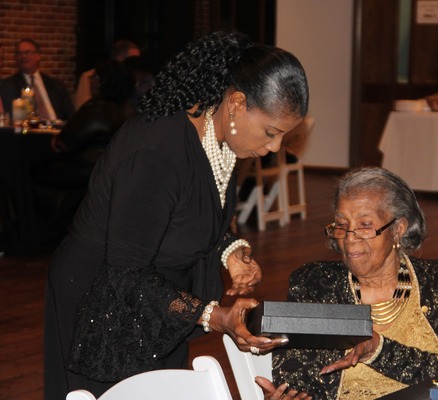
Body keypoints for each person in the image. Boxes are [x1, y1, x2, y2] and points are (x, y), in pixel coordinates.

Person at [43, 31, 309, 400]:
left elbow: (194, 214)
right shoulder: (157, 152)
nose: (274, 147)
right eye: (270, 132)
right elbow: (126, 270)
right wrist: (215, 317)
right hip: (101, 304)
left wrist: (231, 250)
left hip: (159, 300)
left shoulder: (217, 136)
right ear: (236, 103)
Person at [256, 167, 438, 399]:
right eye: (341, 225)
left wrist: (379, 350)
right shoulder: (313, 285)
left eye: (365, 225)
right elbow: (293, 376)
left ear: (398, 229)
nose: (349, 238)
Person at [31, 60, 137, 247]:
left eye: (94, 77)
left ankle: (35, 233)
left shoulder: (95, 108)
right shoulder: (128, 109)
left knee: (29, 169)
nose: (90, 81)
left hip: (84, 170)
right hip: (111, 170)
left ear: (102, 81)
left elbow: (64, 144)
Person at [0, 38, 74, 121]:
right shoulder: (8, 85)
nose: (23, 56)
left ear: (38, 56)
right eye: (19, 53)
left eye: (27, 52)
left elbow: (69, 113)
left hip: (57, 127)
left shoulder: (55, 84)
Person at [74, 39, 141, 110]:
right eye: (132, 59)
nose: (135, 63)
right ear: (119, 57)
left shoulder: (138, 77)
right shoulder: (91, 76)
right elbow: (83, 108)